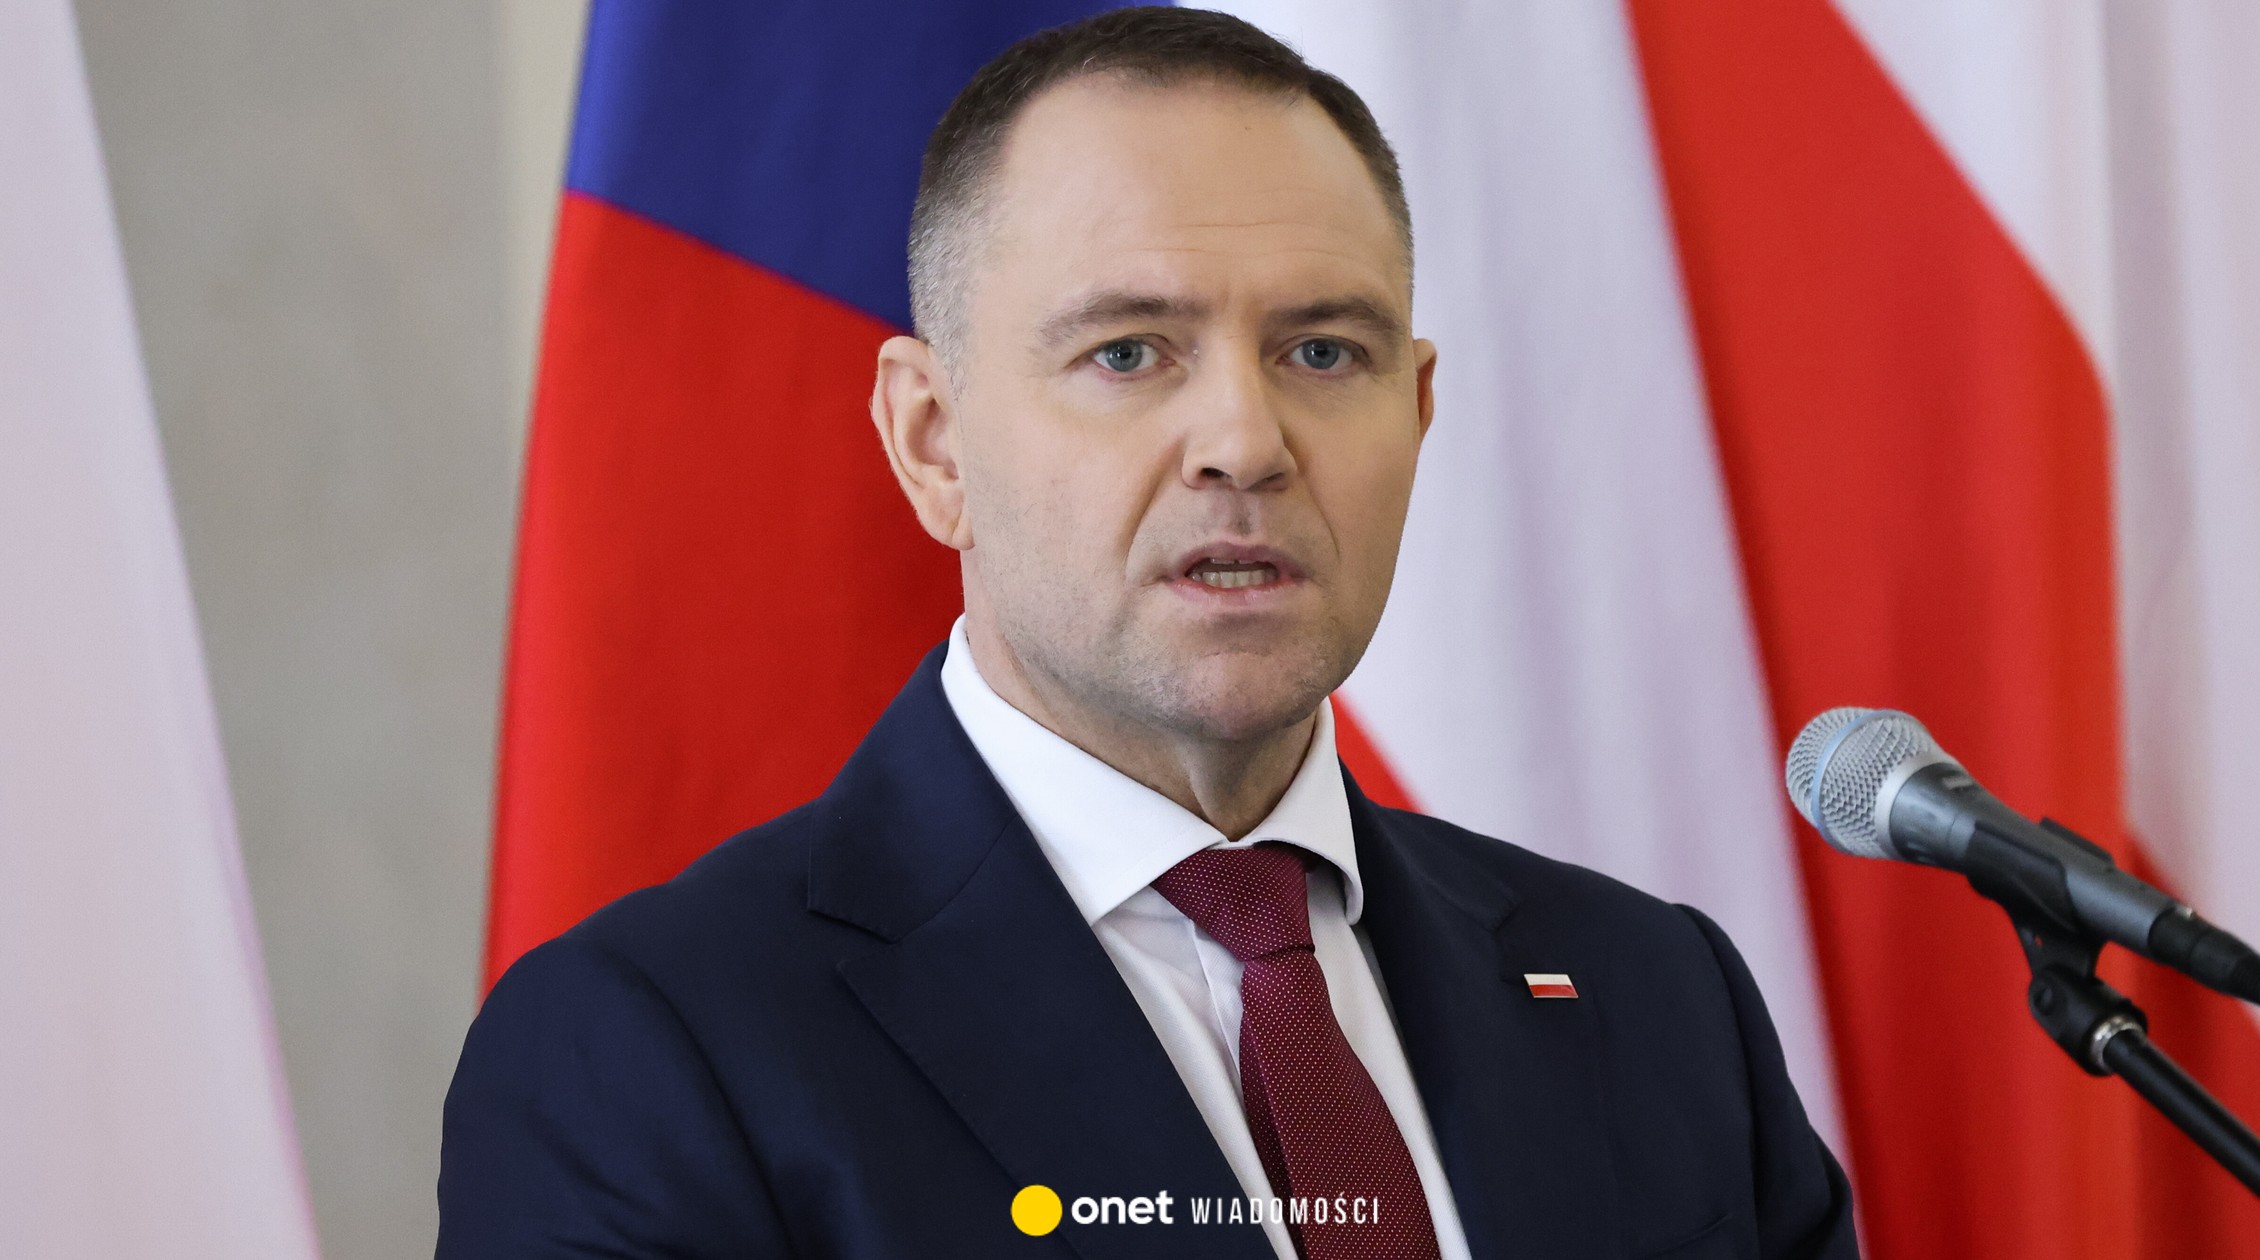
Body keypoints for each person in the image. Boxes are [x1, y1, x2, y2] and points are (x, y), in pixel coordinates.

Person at [437, 8, 1858, 1258]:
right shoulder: (652, 1050)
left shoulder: (1658, 997)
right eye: (1127, 353)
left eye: (1323, 352)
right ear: (933, 443)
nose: (1247, 440)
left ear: (1418, 414)